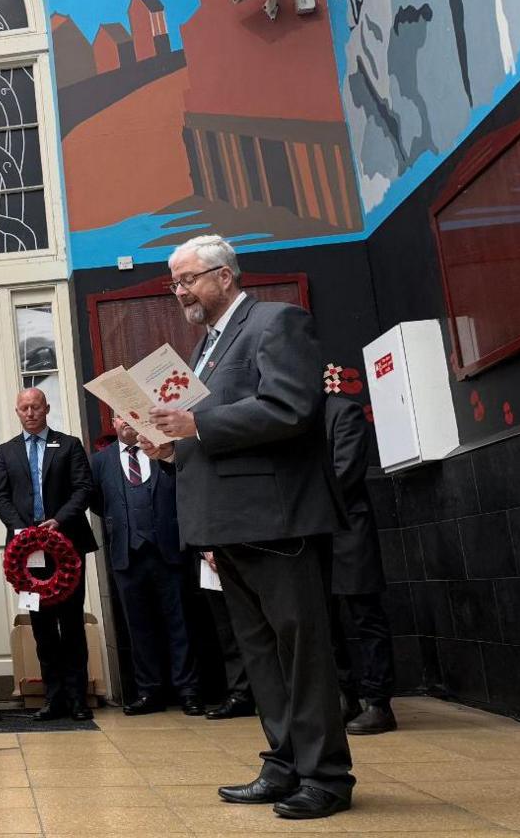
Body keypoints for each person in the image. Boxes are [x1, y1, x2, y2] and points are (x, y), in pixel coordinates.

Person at [142, 234, 354, 819]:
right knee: (260, 655)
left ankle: (327, 776)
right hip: (228, 525)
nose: (179, 290)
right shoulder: (206, 346)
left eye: (187, 279)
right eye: (175, 281)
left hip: (277, 520)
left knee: (301, 651)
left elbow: (290, 407)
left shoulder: (275, 322)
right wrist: (168, 444)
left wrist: (195, 424)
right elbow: (212, 431)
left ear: (224, 277)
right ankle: (284, 764)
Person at [0, 389, 100, 722]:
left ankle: (77, 698)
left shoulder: (68, 445)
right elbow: (0, 497)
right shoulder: (6, 452)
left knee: (70, 623)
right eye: (24, 408)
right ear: (17, 412)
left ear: (46, 408)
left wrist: (59, 520)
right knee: (41, 625)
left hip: (66, 547)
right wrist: (21, 530)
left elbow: (84, 488)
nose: (30, 412)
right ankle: (53, 698)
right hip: (28, 555)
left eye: (35, 406)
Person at [90, 412, 202, 717]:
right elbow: (99, 503)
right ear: (111, 423)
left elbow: (186, 487)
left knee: (179, 624)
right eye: (118, 417)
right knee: (139, 628)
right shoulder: (99, 462)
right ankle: (149, 691)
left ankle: (188, 690)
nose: (126, 421)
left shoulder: (165, 449)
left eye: (131, 415)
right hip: (127, 555)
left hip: (168, 550)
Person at [324, 390, 397, 735]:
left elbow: (347, 472)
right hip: (314, 534)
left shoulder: (344, 411)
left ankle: (379, 702)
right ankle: (344, 696)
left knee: (365, 615)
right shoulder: (293, 418)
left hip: (350, 528)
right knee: (326, 621)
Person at [200, 552, 256, 720]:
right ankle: (240, 695)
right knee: (227, 632)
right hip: (213, 559)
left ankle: (272, 696)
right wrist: (207, 550)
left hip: (255, 553)